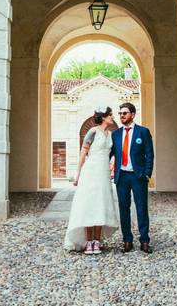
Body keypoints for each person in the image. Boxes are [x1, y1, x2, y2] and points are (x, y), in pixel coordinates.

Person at [63, 106, 120, 254]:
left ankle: (97, 240)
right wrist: (78, 174)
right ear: (103, 117)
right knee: (89, 204)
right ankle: (88, 241)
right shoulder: (93, 132)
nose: (112, 117)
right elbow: (83, 152)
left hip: (104, 173)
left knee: (101, 204)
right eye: (110, 115)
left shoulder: (111, 134)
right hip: (91, 171)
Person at [111, 101, 154, 253]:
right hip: (121, 177)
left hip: (138, 176)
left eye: (124, 113)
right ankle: (127, 240)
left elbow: (149, 154)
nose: (121, 116)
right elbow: (108, 155)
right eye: (120, 113)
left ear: (133, 114)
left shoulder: (143, 132)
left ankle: (144, 241)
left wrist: (147, 173)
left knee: (142, 208)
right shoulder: (115, 134)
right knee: (124, 209)